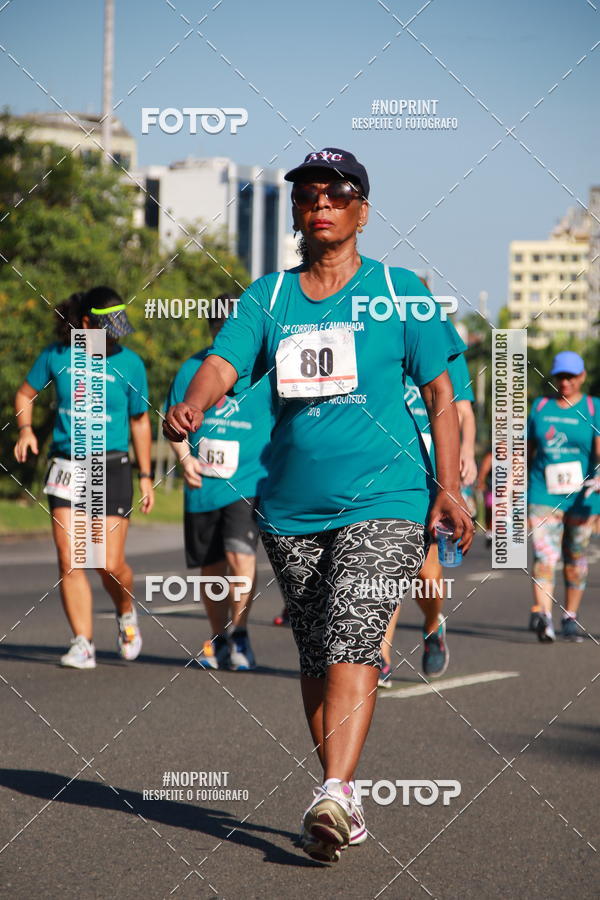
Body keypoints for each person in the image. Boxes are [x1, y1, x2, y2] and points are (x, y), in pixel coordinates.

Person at [164, 147, 473, 863]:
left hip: (389, 498)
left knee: (353, 633)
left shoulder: (401, 292)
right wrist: (195, 402)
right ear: (297, 211)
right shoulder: (268, 299)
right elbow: (223, 362)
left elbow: (442, 396)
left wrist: (451, 485)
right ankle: (343, 796)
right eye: (307, 193)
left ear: (363, 208)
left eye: (338, 191)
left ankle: (333, 790)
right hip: (291, 505)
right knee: (315, 651)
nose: (321, 202)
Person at [14, 287, 154, 668]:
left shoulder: (130, 364)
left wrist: (146, 476)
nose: (114, 336)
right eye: (107, 328)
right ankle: (82, 642)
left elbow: (140, 422)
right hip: (66, 465)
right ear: (87, 323)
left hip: (111, 465)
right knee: (70, 558)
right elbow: (25, 393)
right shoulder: (56, 356)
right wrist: (26, 429)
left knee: (106, 561)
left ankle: (126, 610)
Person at [165, 296, 274, 670]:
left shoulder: (265, 372)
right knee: (211, 569)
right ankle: (219, 636)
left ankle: (240, 631)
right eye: (220, 327)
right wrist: (185, 460)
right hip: (203, 483)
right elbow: (174, 424)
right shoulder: (190, 371)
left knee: (239, 556)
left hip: (249, 481)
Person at [378, 311, 477, 686]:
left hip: (435, 472)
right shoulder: (379, 346)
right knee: (382, 563)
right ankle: (381, 657)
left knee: (425, 573)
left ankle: (433, 623)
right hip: (386, 473)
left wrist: (465, 451)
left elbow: (463, 410)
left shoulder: (443, 350)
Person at [527, 351, 600, 642]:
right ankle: (544, 616)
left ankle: (570, 615)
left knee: (575, 556)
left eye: (571, 376)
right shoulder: (541, 407)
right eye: (560, 376)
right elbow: (525, 451)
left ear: (582, 377)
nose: (565, 382)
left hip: (582, 496)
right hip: (543, 491)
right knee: (545, 554)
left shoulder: (594, 408)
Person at [476, 449, 493, 547]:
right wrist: (481, 482)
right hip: (492, 489)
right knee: (491, 512)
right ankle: (490, 534)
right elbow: (483, 472)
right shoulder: (490, 457)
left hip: (507, 491)